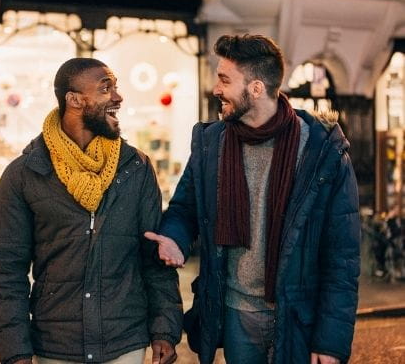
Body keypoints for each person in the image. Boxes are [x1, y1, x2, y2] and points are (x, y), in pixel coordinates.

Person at [145, 34, 361, 364]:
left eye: (224, 79)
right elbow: (185, 209)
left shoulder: (322, 151)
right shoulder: (211, 143)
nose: (216, 89)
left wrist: (330, 341)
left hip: (297, 317)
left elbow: (342, 256)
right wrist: (175, 238)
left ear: (256, 88)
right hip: (235, 317)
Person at [0, 58, 182, 364]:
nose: (118, 96)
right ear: (75, 100)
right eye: (106, 88)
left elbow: (154, 256)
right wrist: (15, 352)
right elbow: (7, 272)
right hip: (55, 345)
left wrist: (165, 329)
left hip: (125, 340)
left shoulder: (137, 167)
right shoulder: (24, 174)